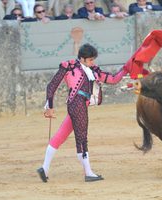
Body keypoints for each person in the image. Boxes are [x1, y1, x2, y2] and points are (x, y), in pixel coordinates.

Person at [37, 43, 130, 183]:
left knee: (60, 136)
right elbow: (51, 86)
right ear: (82, 58)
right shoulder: (69, 66)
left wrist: (126, 68)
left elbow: (113, 79)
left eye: (93, 59)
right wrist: (49, 106)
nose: (93, 62)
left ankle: (44, 168)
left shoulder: (92, 69)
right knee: (81, 139)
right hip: (78, 105)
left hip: (75, 106)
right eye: (91, 59)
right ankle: (88, 173)